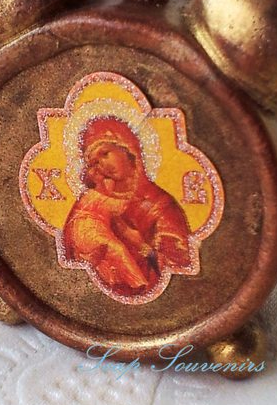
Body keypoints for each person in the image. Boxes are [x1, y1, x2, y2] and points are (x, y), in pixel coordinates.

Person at [63, 117, 191, 299]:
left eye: (105, 154)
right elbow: (73, 258)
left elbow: (181, 267)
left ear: (126, 148)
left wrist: (142, 246)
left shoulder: (160, 205)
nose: (103, 165)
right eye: (95, 163)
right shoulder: (91, 201)